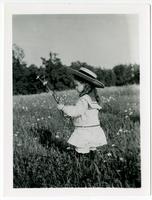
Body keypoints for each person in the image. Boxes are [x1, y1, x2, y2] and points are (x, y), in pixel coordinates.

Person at [57, 67, 107, 154]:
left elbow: (76, 111)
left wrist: (63, 107)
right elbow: (84, 113)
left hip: (85, 130)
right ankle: (92, 164)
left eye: (77, 85)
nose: (75, 88)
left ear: (86, 85)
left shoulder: (84, 99)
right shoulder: (93, 98)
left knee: (82, 150)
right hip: (94, 129)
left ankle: (82, 165)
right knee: (92, 148)